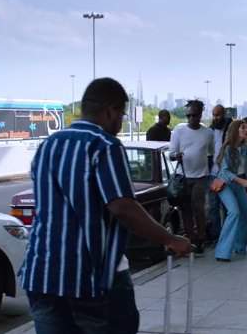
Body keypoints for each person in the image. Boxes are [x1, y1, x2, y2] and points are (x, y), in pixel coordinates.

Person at [21, 78, 191, 334]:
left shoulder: (49, 144)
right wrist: (170, 238)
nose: (121, 121)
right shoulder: (104, 145)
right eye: (121, 114)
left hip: (42, 274)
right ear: (110, 110)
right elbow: (122, 207)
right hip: (90, 278)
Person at [214, 120, 247, 261]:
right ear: (235, 131)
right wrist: (242, 181)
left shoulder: (244, 149)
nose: (246, 130)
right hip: (225, 185)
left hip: (239, 184)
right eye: (242, 128)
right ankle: (222, 252)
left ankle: (240, 247)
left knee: (246, 214)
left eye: (246, 128)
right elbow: (224, 172)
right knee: (234, 212)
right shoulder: (228, 149)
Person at [169, 100, 214, 255]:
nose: (191, 118)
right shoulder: (178, 130)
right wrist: (177, 155)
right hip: (183, 177)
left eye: (194, 115)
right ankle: (192, 240)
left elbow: (211, 153)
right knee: (185, 210)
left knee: (198, 209)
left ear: (201, 114)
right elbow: (171, 155)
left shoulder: (208, 133)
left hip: (201, 177)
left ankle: (201, 238)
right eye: (188, 115)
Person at [206, 105, 233, 242]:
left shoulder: (230, 129)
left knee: (228, 207)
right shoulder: (210, 131)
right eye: (214, 115)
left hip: (226, 174)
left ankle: (227, 236)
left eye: (218, 115)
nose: (216, 118)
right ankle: (216, 236)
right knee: (213, 206)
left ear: (224, 114)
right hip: (212, 174)